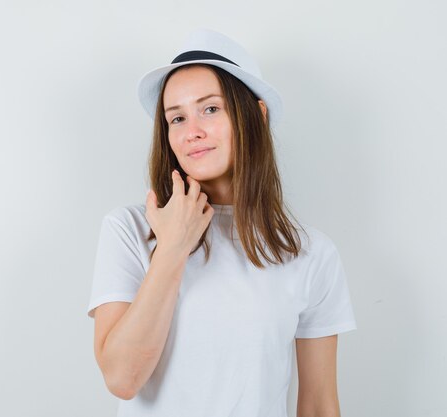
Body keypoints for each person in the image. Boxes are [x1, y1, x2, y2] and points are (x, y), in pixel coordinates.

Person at [86, 28, 357, 417]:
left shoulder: (310, 253)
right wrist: (174, 248)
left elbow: (318, 405)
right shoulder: (129, 230)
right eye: (176, 118)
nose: (191, 131)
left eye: (210, 109)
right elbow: (122, 379)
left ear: (256, 115)